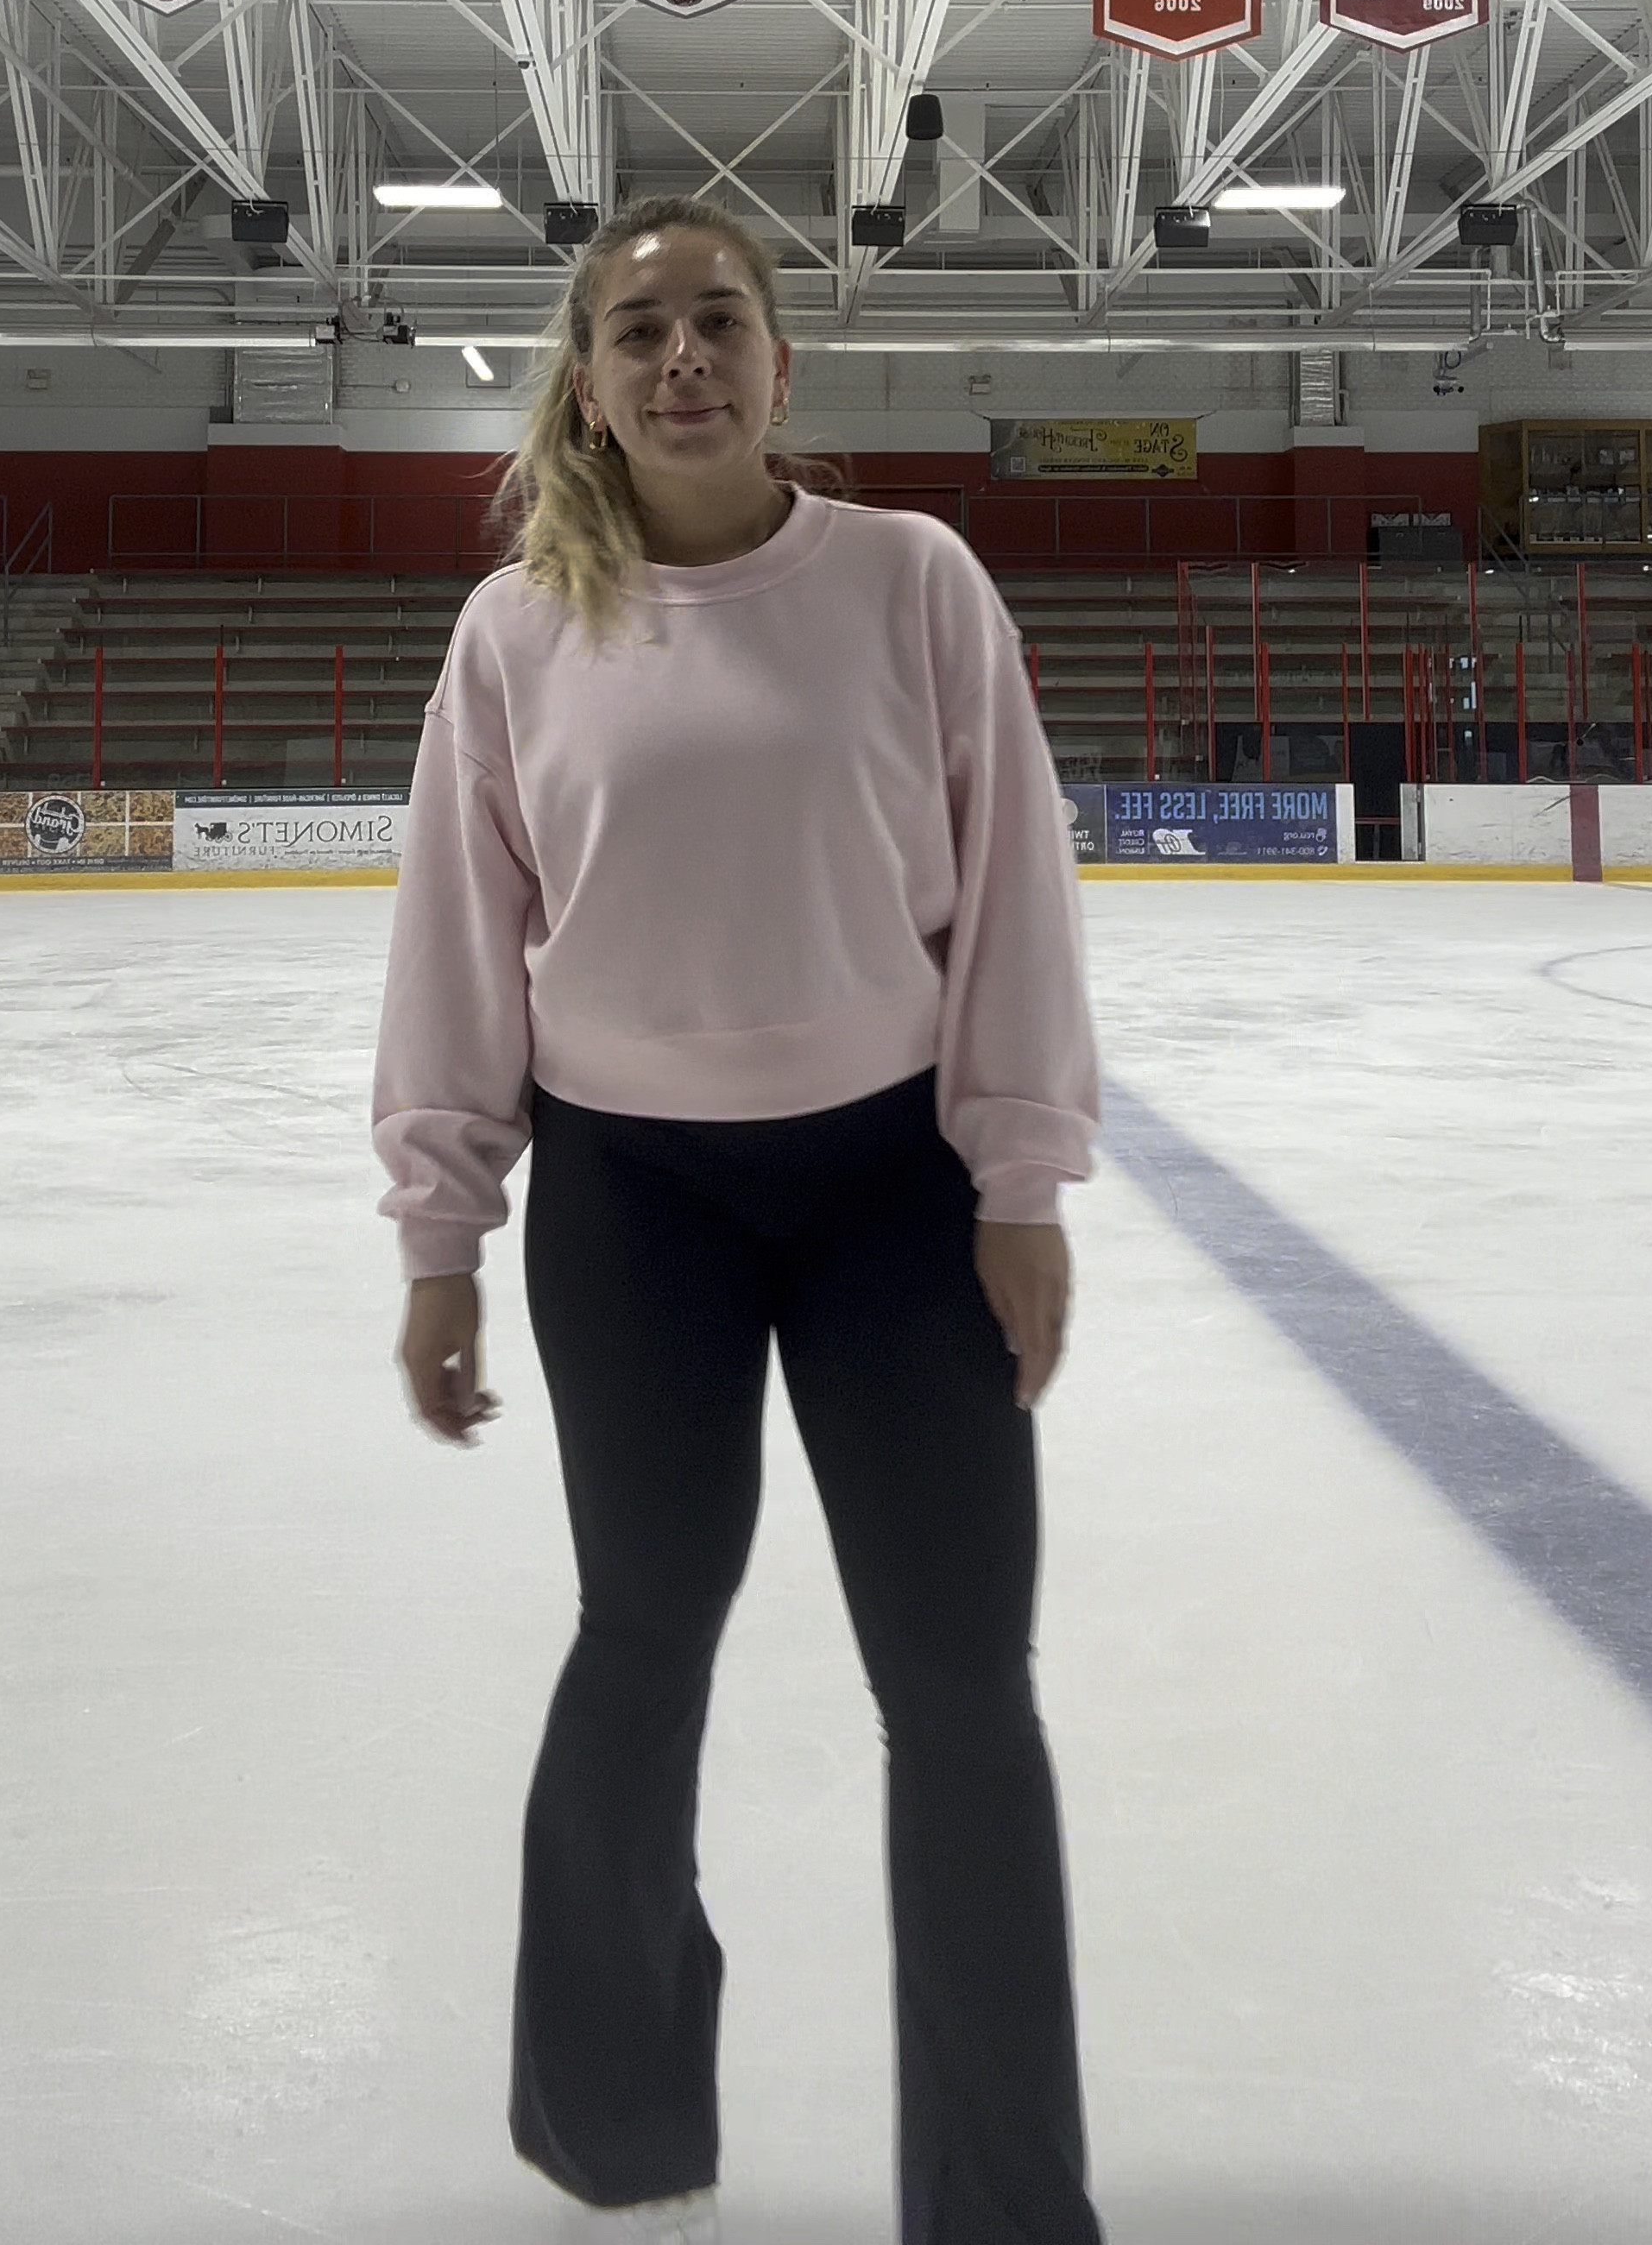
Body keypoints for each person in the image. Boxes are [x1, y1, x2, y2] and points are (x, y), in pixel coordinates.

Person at [372, 193, 1107, 2245]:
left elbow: (1017, 899)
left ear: (782, 369)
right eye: (638, 333)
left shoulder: (911, 582)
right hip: (636, 1207)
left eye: (719, 322)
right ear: (589, 394)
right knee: (643, 1641)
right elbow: (458, 943)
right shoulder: (521, 628)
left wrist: (1023, 1179)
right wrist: (443, 1234)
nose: (682, 356)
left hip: (895, 1192)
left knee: (962, 1687)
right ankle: (616, 2125)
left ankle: (1006, 2199)